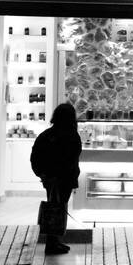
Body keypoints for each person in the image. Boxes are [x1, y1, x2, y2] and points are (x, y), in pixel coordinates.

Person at [30, 102, 82, 254]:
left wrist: (43, 175)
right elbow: (73, 158)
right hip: (65, 179)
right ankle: (53, 242)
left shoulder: (46, 135)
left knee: (54, 207)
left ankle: (53, 241)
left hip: (51, 179)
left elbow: (35, 157)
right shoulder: (72, 135)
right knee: (59, 208)